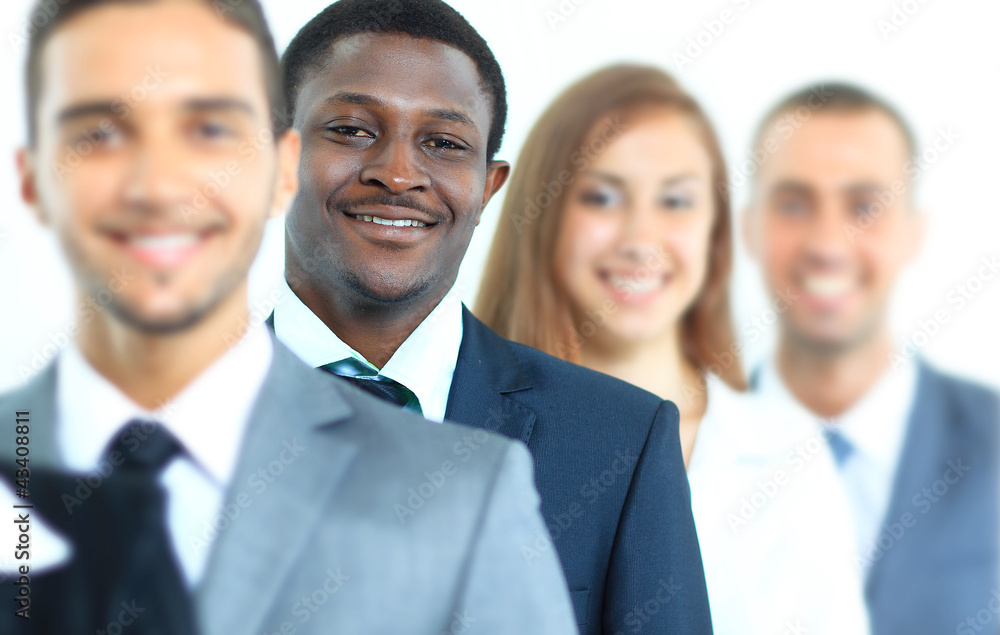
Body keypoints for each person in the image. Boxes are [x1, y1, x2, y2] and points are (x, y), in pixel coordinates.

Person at [0, 0, 578, 633]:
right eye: (102, 134)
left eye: (208, 130)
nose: (158, 182)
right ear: (33, 178)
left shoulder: (474, 490)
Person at [273, 1, 713, 633]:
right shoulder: (152, 423)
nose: (397, 174)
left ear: (488, 186)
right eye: (351, 130)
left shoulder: (618, 442)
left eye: (444, 143)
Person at [736, 82, 998, 634]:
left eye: (865, 206)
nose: (828, 242)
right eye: (792, 204)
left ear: (913, 232)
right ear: (749, 228)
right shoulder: (683, 449)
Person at [475, 64, 746, 470]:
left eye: (676, 201)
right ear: (541, 218)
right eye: (601, 198)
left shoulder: (789, 457)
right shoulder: (448, 432)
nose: (640, 242)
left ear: (716, 229)